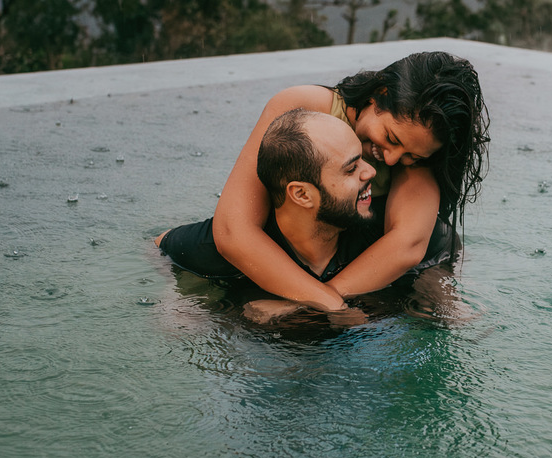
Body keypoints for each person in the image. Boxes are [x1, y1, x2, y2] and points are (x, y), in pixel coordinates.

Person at [160, 51, 489, 315]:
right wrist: (326, 303)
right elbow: (235, 230)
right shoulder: (305, 107)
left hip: (357, 256)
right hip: (299, 244)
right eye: (390, 137)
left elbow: (408, 245)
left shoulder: (419, 142)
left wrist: (311, 303)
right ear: (381, 93)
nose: (390, 160)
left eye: (411, 157)